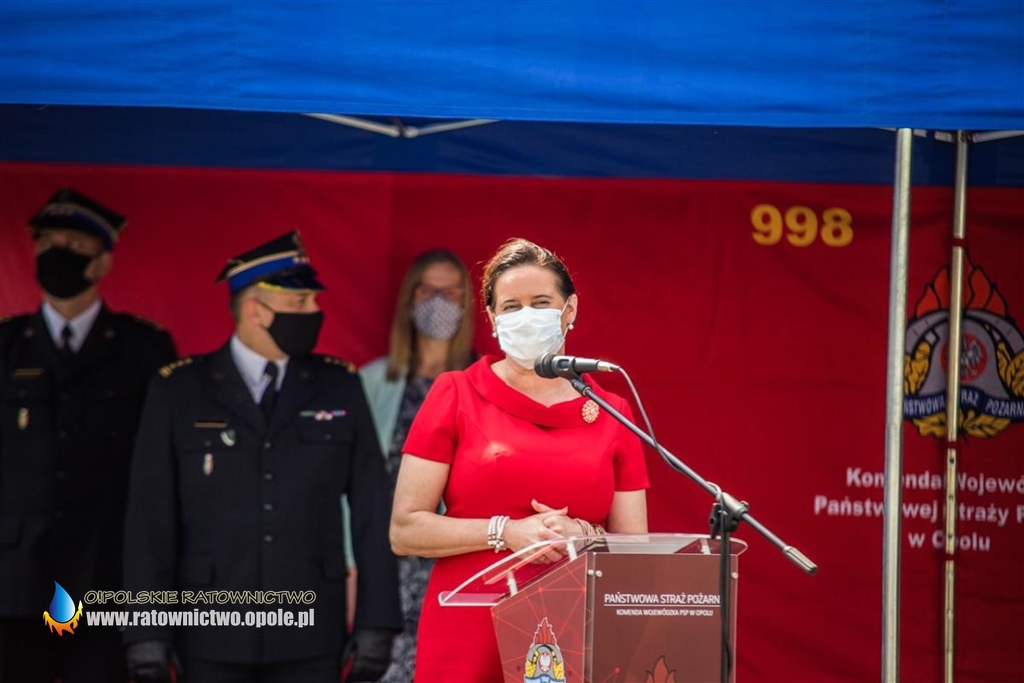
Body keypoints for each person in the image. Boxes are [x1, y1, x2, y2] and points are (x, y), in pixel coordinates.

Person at [122, 231, 401, 683]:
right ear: (255, 310)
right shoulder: (179, 391)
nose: (314, 311)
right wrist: (145, 629)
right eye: (300, 302)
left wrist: (377, 622)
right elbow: (149, 517)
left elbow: (372, 508)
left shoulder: (339, 386)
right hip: (210, 633)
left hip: (312, 633)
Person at [389, 237, 650, 681]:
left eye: (541, 303)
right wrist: (506, 532)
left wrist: (585, 536)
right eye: (511, 306)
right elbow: (405, 529)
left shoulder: (613, 412)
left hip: (575, 632)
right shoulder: (455, 393)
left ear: (569, 309)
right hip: (467, 632)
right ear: (492, 319)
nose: (526, 316)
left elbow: (636, 550)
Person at [0, 187, 177, 683]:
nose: (57, 254)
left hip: (105, 575)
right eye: (47, 244)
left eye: (74, 246)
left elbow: (162, 468)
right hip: (15, 580)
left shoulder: (144, 348)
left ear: (102, 262)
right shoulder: (6, 345)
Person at [359, 249, 475, 682]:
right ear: (410, 298)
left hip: (455, 559)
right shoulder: (373, 382)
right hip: (384, 559)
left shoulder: (484, 383)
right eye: (428, 291)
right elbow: (350, 486)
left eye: (451, 292)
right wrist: (351, 566)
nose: (439, 302)